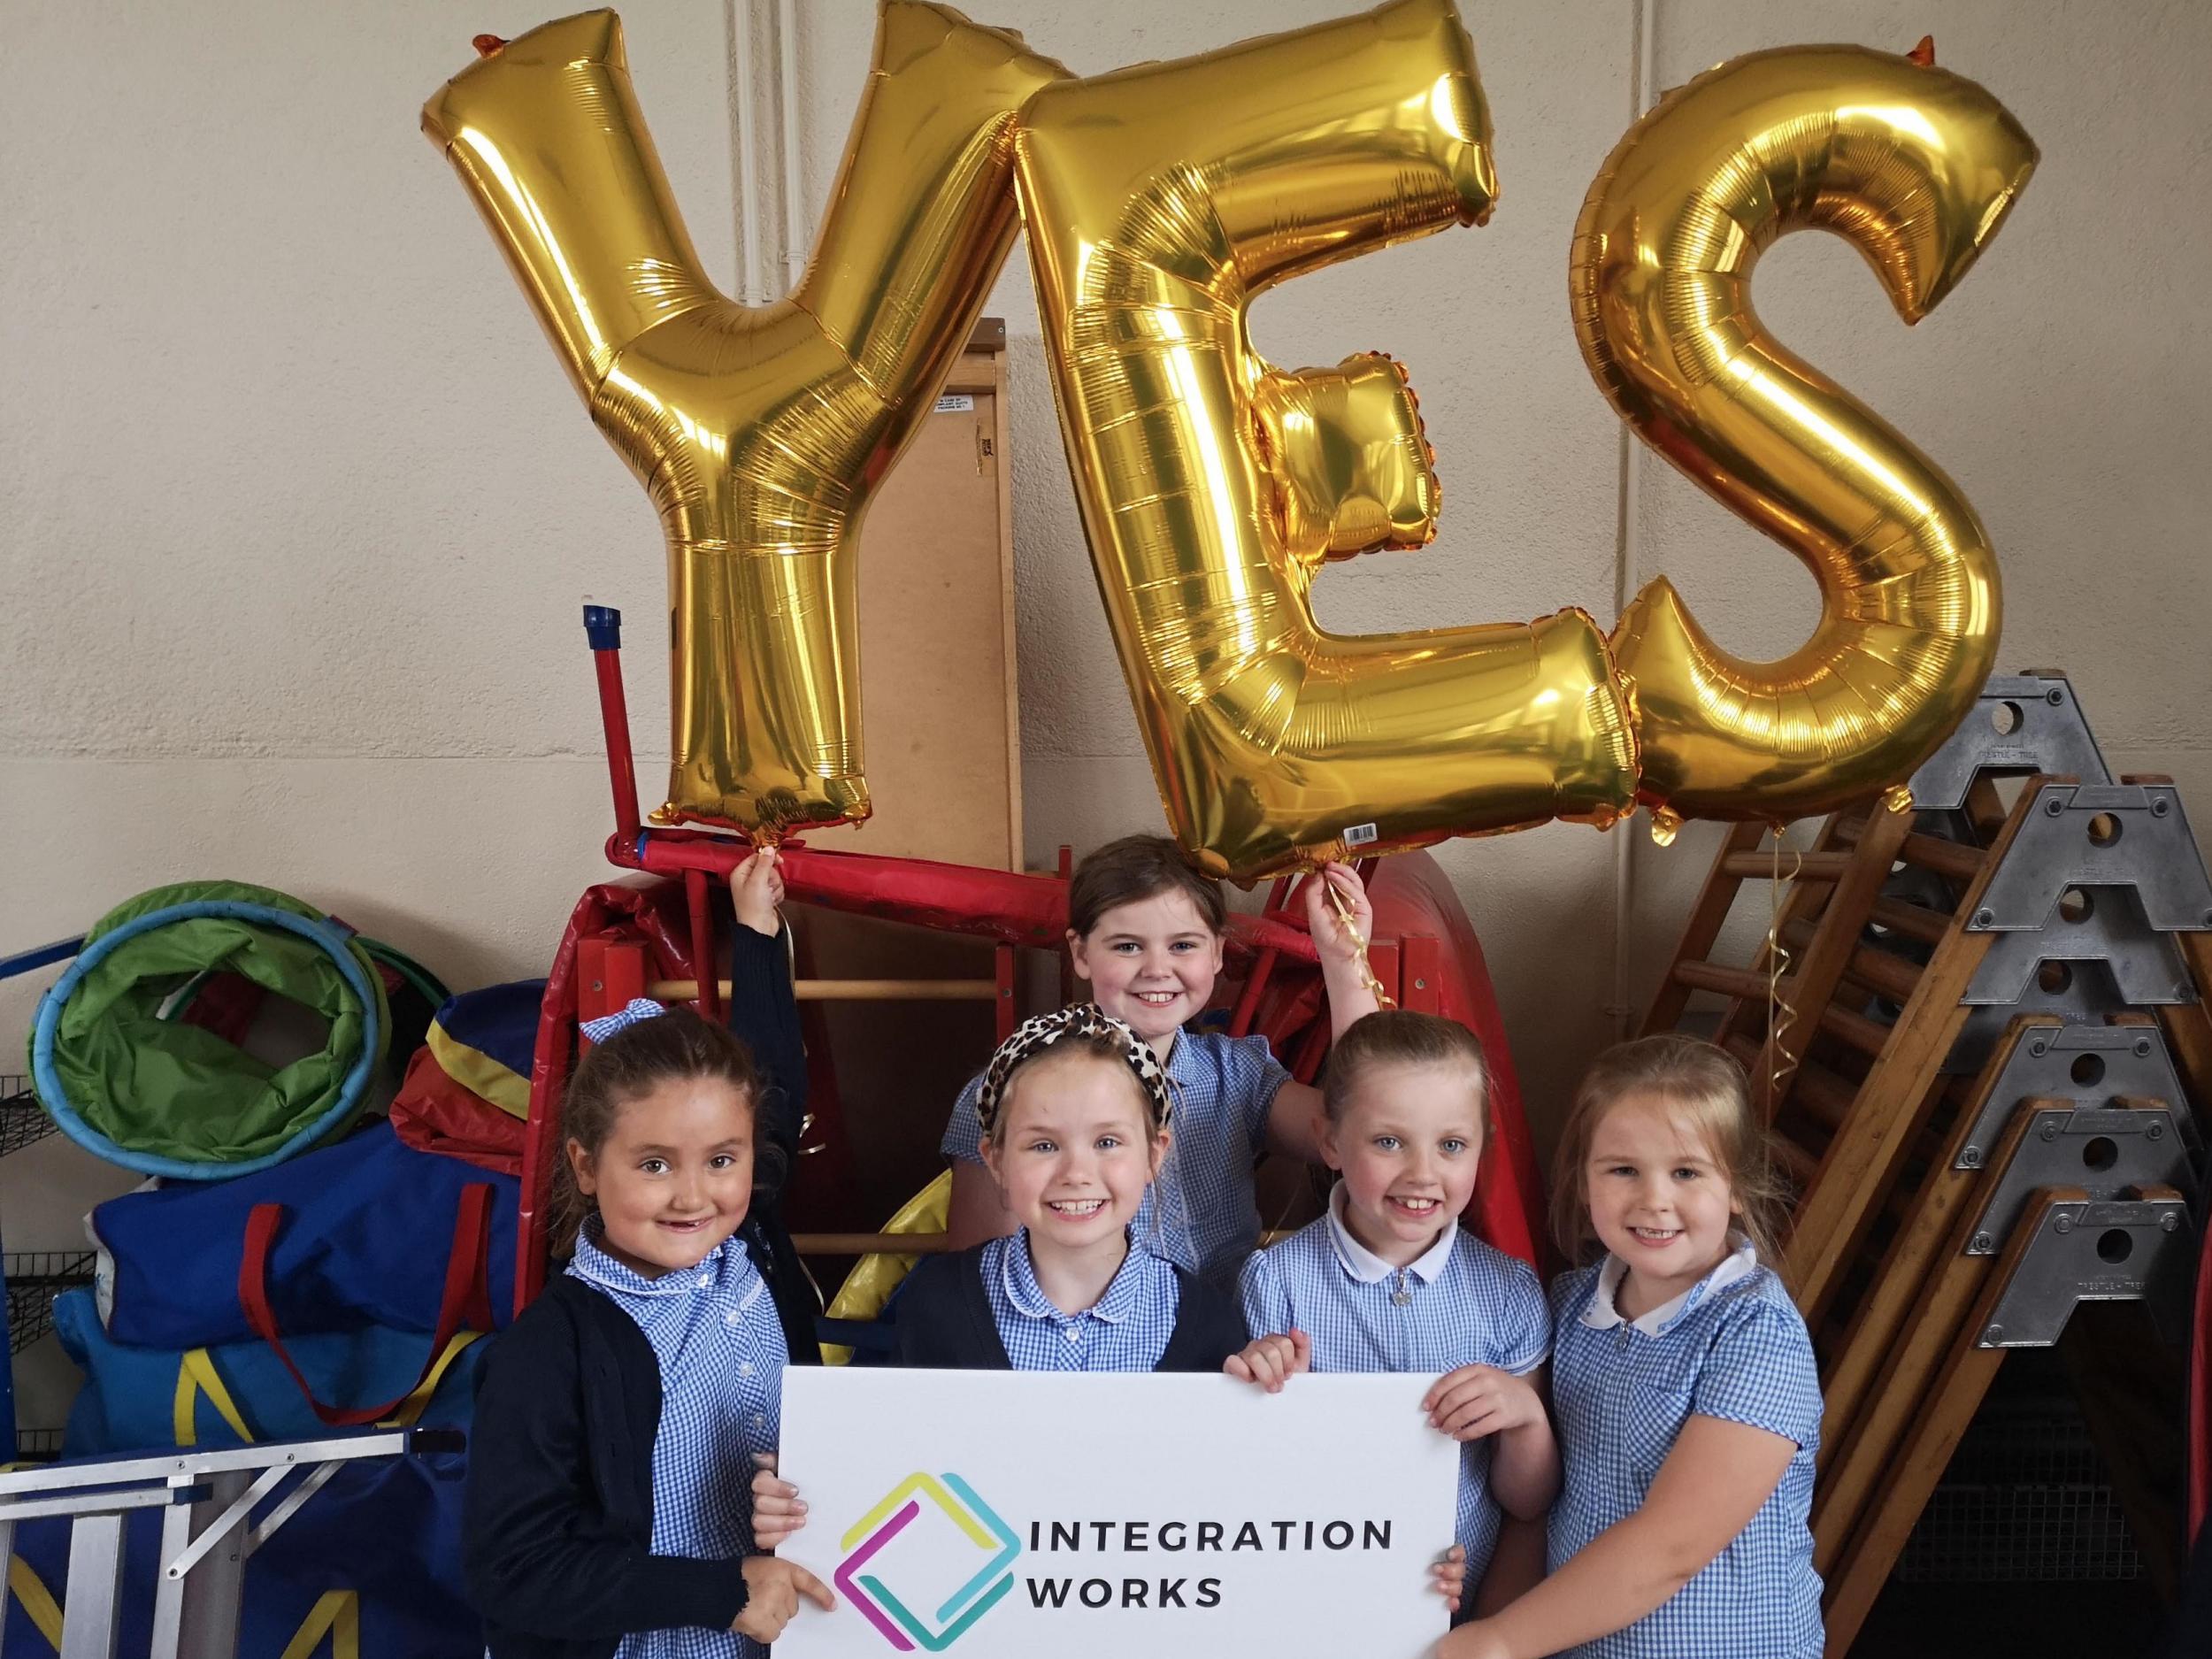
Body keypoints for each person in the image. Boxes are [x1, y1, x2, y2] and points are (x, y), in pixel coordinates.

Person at [464, 851, 833, 1659]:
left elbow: (773, 1091)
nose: (694, 1196)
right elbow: (513, 1568)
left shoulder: (753, 1246)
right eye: (655, 1163)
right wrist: (722, 1590)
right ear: (587, 1165)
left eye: (721, 1160)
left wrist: (758, 932)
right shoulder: (550, 1349)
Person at [749, 1002, 1247, 1552]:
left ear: (1155, 1155)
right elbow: (896, 1466)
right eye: (1043, 1145)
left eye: (1108, 1142)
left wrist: (1268, 1391)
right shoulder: (935, 1304)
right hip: (978, 1625)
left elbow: (1226, 1506)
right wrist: (810, 1488)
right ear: (996, 1162)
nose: (1077, 1172)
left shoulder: (1210, 1323)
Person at [1440, 1034, 1821, 1659]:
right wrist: (1489, 1627)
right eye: (1623, 1169)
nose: (1653, 1199)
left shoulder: (1757, 1334)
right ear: (1585, 1185)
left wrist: (1503, 1640)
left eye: (1687, 1171)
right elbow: (1537, 1514)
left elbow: (1673, 1545)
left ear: (1738, 1187)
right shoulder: (1569, 1302)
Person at [941, 834, 1381, 1292]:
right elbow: (979, 1284)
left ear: (1216, 953)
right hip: (1083, 1351)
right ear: (1080, 953)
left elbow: (1366, 1131)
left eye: (1183, 946)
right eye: (1127, 946)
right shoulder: (1011, 1092)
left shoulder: (1237, 1074)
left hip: (1226, 1349)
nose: (1156, 968)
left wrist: (1345, 961)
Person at [1228, 1010, 1555, 1621]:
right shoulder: (1275, 1283)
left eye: (1451, 1144)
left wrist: (1524, 1416)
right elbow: (1247, 1482)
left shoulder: (1507, 1290)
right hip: (1315, 1606)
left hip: (1457, 1615)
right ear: (1330, 1141)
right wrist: (1257, 1380)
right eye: (1388, 1141)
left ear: (1481, 1144)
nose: (1422, 1172)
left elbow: (1528, 1502)